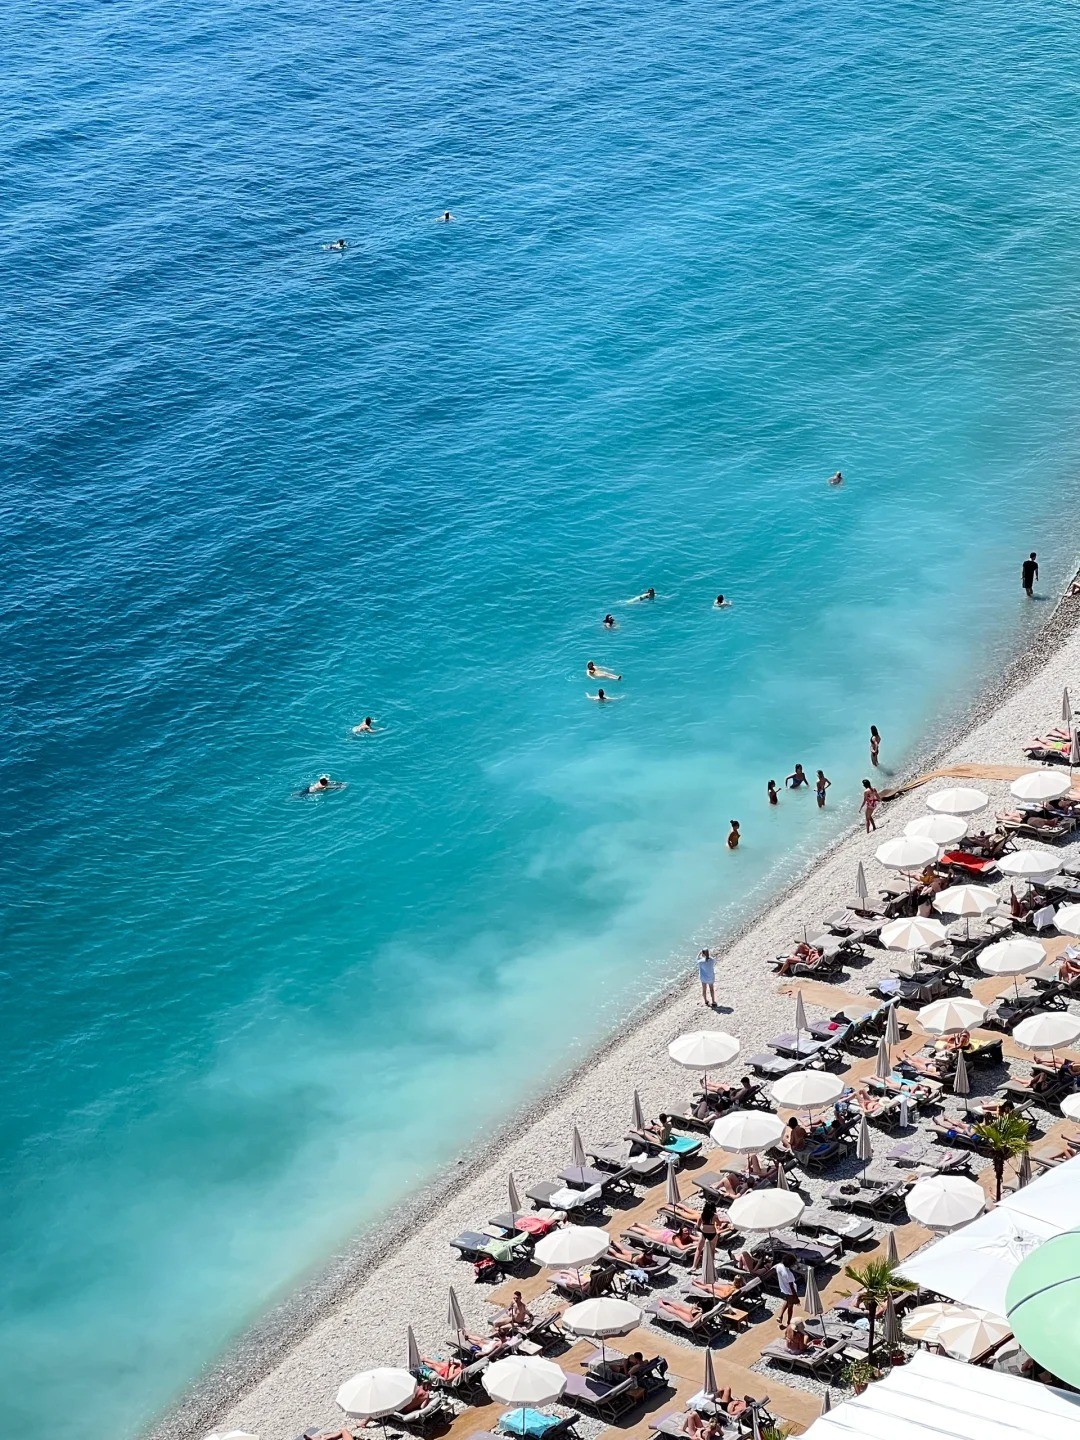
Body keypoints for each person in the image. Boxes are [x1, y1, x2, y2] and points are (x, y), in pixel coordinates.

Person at [693, 1200, 719, 1270]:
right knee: (712, 1250)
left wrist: (702, 1227)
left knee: (699, 1249)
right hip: (713, 1234)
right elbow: (719, 1224)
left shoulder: (701, 1215)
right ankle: (711, 1266)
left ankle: (694, 1266)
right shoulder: (715, 1216)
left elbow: (698, 1225)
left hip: (704, 1233)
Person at [775, 1255, 799, 1326]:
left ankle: (780, 1316)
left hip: (783, 1289)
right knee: (790, 1307)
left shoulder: (779, 1266)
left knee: (787, 1300)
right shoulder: (789, 1274)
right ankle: (788, 1322)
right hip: (790, 1292)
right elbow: (792, 1287)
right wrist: (796, 1298)